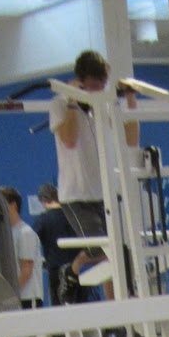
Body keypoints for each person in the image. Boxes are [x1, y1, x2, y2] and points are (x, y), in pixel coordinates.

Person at [48, 51, 139, 302]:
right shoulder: (60, 104)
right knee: (99, 248)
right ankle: (73, 269)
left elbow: (131, 140)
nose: (97, 92)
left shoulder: (106, 105)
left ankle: (120, 308)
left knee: (119, 253)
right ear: (79, 81)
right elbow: (69, 140)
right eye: (92, 87)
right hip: (76, 196)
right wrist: (72, 100)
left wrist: (130, 100)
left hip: (107, 192)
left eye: (102, 86)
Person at [31, 184, 75, 306]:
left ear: (43, 201)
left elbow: (32, 241)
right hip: (77, 268)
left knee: (59, 305)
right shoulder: (73, 216)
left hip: (55, 270)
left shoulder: (43, 220)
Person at [1, 187, 43, 307]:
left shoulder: (25, 233)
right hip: (15, 298)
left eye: (1, 203)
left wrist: (7, 294)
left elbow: (26, 271)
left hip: (27, 299)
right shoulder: (8, 233)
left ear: (13, 205)